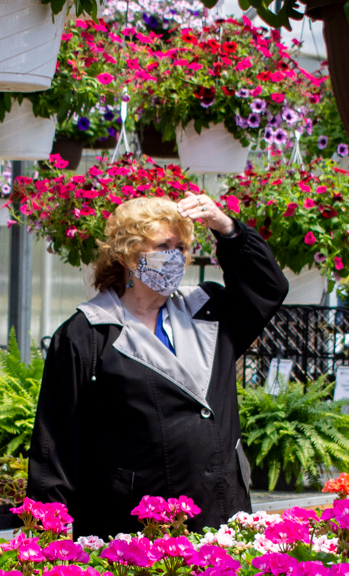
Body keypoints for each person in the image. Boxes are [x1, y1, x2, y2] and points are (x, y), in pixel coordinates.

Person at [27, 193, 289, 537]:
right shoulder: (87, 334)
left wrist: (226, 227)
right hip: (133, 527)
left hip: (220, 510)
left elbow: (268, 286)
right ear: (129, 256)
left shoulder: (209, 310)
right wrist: (49, 536)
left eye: (180, 249)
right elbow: (56, 444)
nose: (175, 258)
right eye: (163, 246)